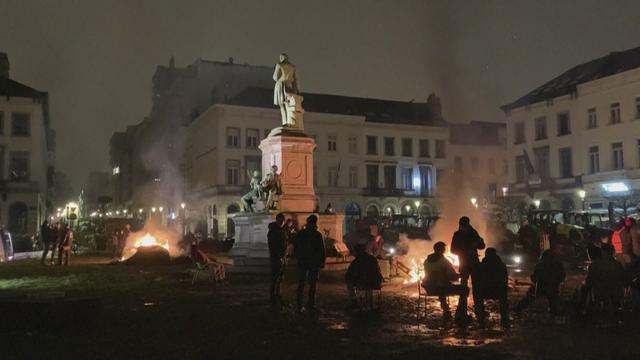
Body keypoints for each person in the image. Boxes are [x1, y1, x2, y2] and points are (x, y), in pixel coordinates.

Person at [422, 241, 469, 321]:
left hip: (429, 288)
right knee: (465, 289)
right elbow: (452, 276)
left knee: (441, 287)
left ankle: (446, 311)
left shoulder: (426, 261)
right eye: (444, 249)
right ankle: (460, 313)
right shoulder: (444, 261)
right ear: (442, 250)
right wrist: (460, 275)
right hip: (440, 288)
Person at [450, 216, 485, 322]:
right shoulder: (458, 234)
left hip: (473, 263)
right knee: (464, 288)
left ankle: (478, 309)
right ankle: (462, 310)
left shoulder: (473, 232)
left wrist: (476, 244)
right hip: (465, 263)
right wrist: (463, 251)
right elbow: (452, 250)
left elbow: (482, 245)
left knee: (476, 287)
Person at [515, 250, 565, 317]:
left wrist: (533, 278)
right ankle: (554, 313)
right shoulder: (558, 265)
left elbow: (534, 278)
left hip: (541, 286)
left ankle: (518, 308)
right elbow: (562, 276)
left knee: (530, 296)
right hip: (553, 287)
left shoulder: (540, 265)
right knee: (553, 300)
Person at [294, 215, 326, 312]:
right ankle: (311, 303)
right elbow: (321, 250)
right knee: (312, 284)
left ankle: (299, 303)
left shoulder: (301, 234)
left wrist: (298, 257)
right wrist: (321, 262)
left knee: (302, 282)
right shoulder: (317, 235)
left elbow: (296, 247)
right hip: (314, 262)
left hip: (303, 261)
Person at [477, 248, 509, 328]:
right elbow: (505, 278)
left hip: (485, 291)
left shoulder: (482, 265)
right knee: (504, 298)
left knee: (478, 295)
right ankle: (504, 317)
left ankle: (480, 315)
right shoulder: (501, 265)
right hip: (499, 291)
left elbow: (478, 278)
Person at [268, 213, 288, 305]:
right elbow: (272, 246)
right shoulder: (273, 231)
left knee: (281, 277)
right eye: (281, 220)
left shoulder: (282, 230)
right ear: (277, 220)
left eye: (283, 221)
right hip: (276, 258)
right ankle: (273, 295)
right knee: (275, 277)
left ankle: (278, 293)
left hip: (283, 257)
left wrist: (284, 255)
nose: (282, 222)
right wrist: (279, 256)